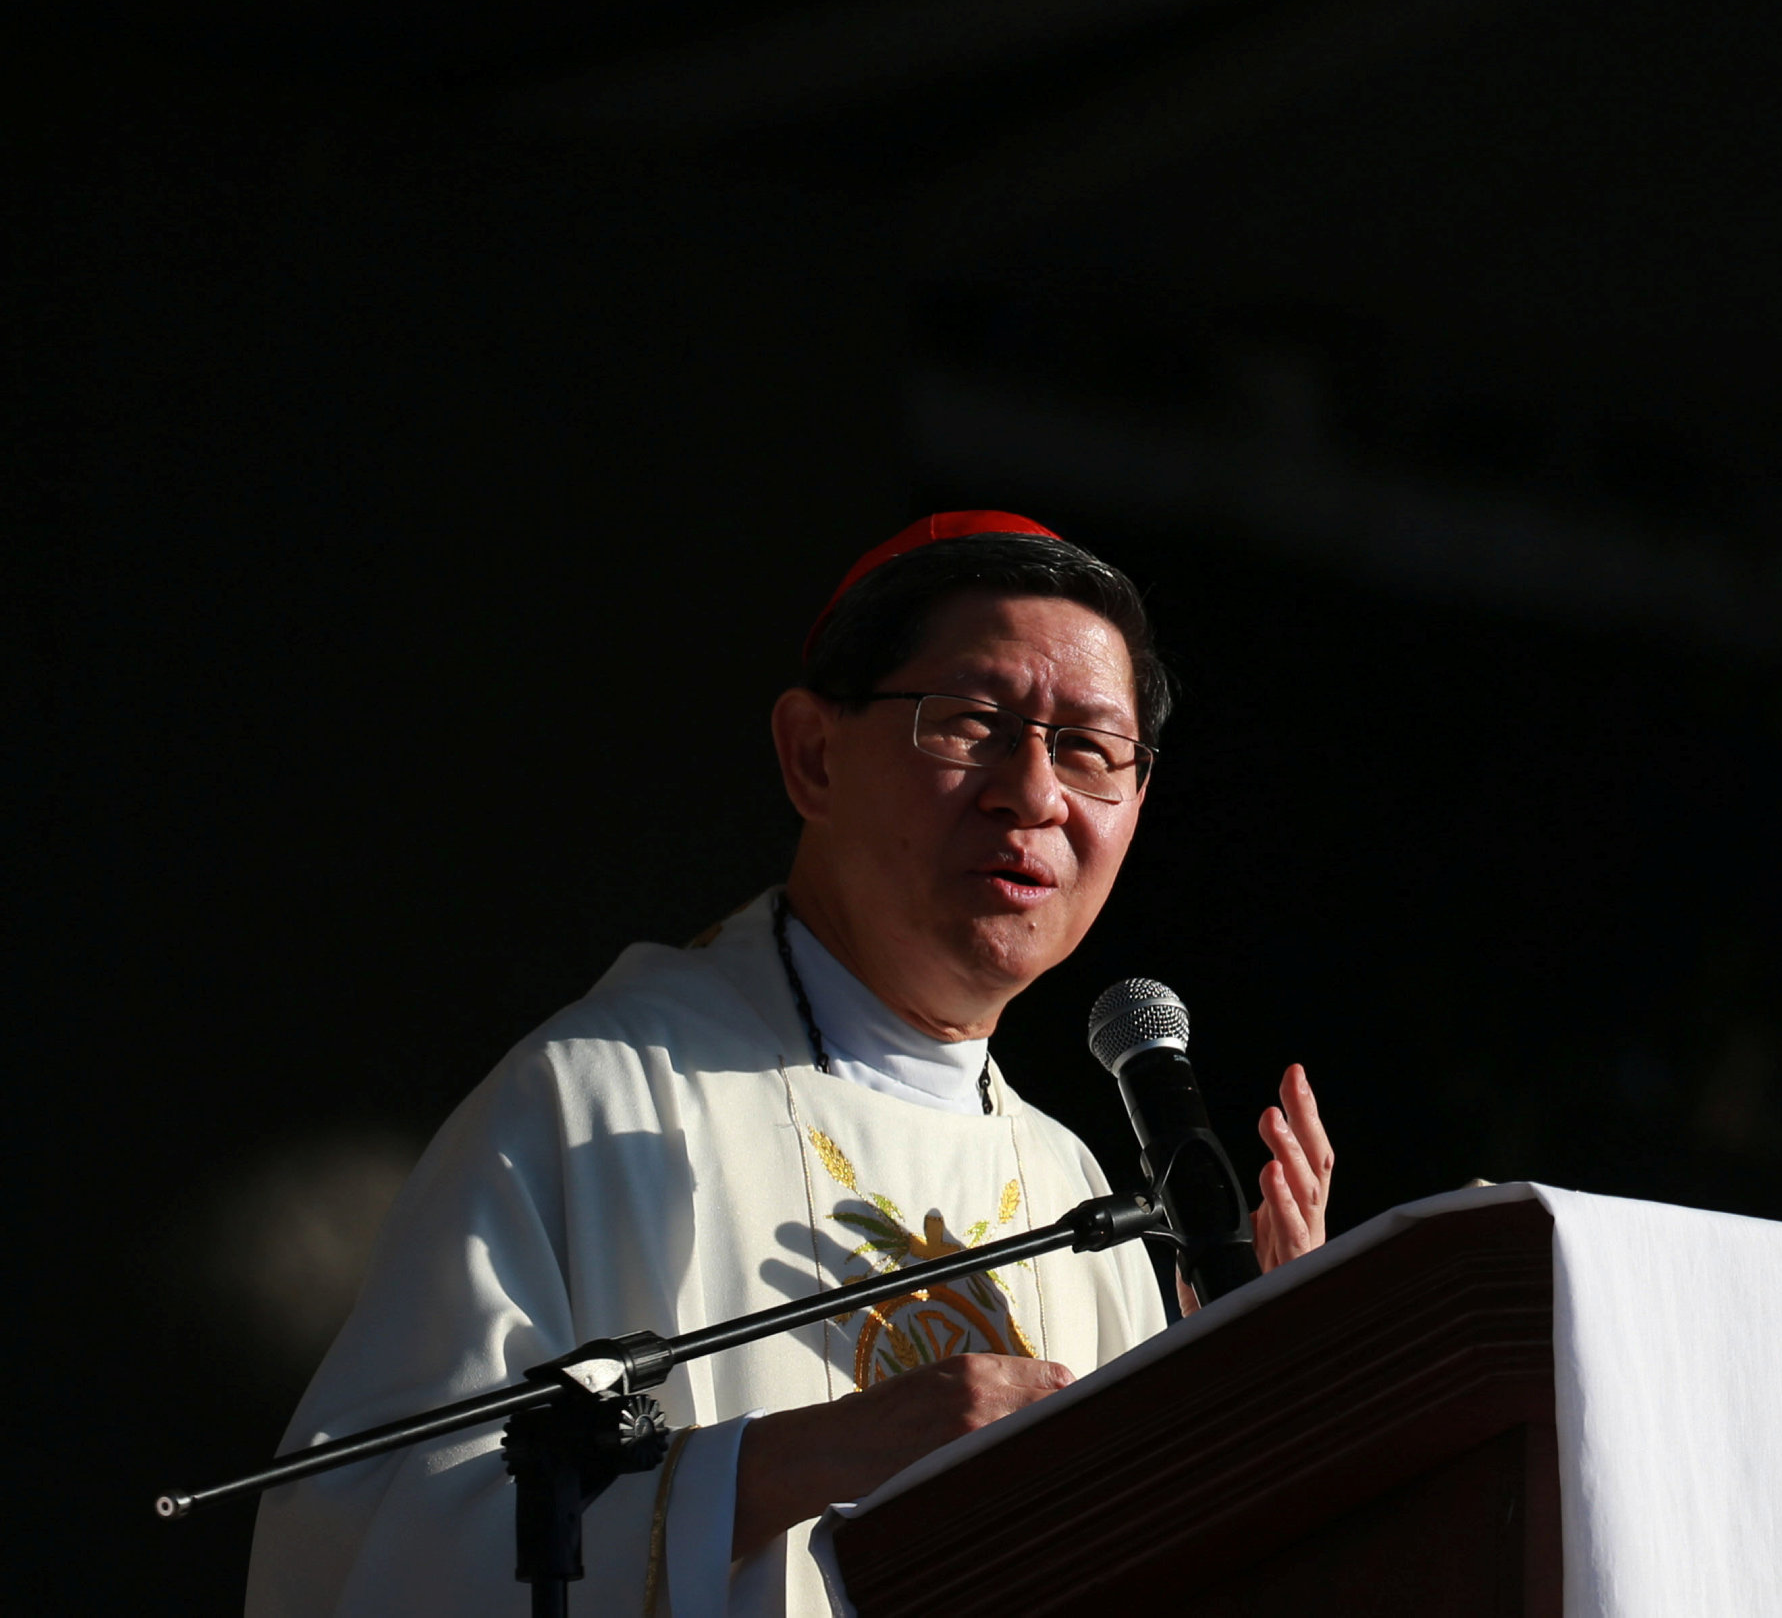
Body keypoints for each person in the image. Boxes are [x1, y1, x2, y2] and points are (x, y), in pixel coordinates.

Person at [245, 512, 1334, 1618]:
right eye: (972, 724)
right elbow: (354, 1556)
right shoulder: (595, 1102)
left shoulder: (1080, 1196)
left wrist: (1263, 1405)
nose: (1035, 794)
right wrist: (781, 1468)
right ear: (814, 755)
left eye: (1091, 750)